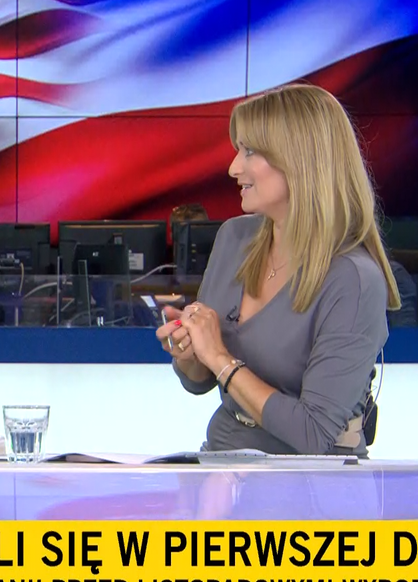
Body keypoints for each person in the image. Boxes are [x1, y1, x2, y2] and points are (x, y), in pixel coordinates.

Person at [155, 84, 400, 456]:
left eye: (250, 151)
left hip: (312, 481)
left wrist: (219, 358)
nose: (234, 167)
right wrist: (191, 354)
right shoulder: (234, 238)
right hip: (222, 464)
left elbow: (313, 435)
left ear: (300, 161)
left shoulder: (353, 280)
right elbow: (199, 382)